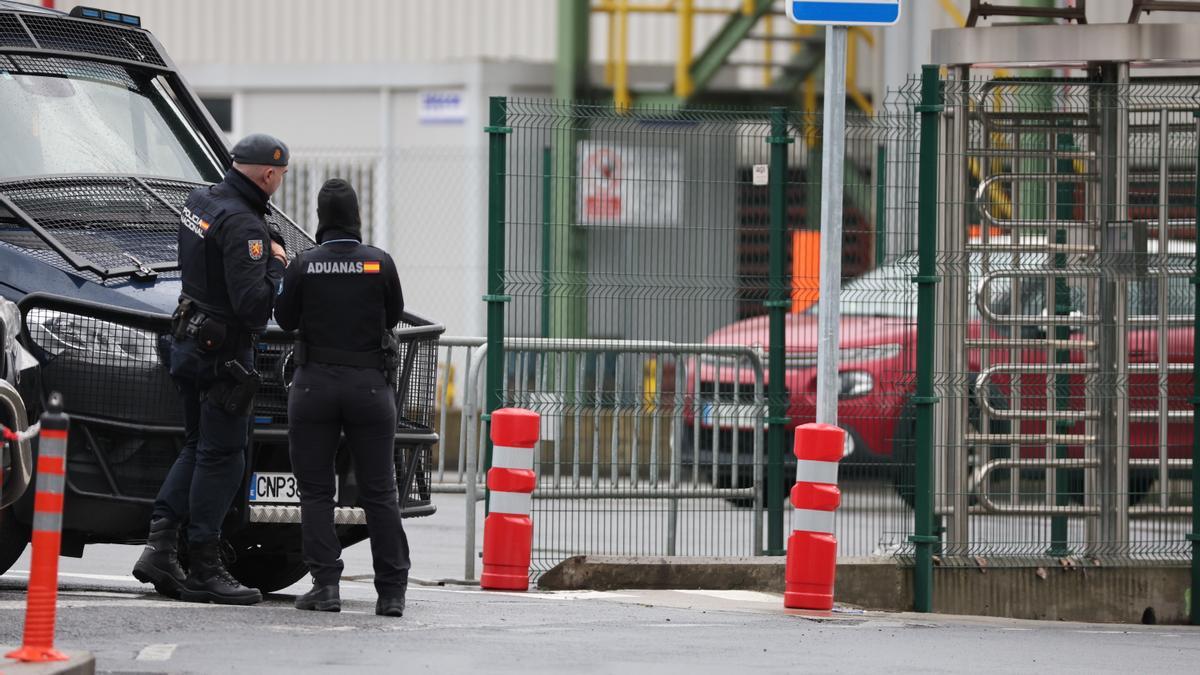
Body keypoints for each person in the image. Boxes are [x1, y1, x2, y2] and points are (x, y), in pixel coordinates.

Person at [132, 133, 291, 605]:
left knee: (198, 445)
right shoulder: (245, 225)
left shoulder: (201, 200)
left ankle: (161, 547)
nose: (279, 183)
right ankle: (205, 565)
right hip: (223, 354)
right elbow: (255, 307)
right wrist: (277, 265)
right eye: (279, 176)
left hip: (189, 338)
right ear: (267, 174)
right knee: (224, 456)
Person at [273, 178, 410, 617]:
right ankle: (390, 593)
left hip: (314, 386)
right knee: (380, 492)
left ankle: (326, 586)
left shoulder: (304, 264)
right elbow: (392, 316)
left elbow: (285, 317)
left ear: (320, 218)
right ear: (355, 216)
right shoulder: (379, 263)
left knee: (315, 492)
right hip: (369, 386)